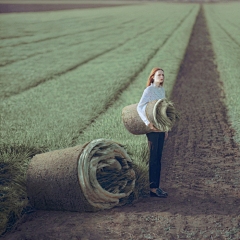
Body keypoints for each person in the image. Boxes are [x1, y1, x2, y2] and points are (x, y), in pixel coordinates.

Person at [137, 67, 168, 198]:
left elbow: (163, 111)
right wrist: (148, 123)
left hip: (161, 127)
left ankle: (157, 187)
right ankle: (152, 188)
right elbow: (140, 107)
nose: (161, 77)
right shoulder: (149, 90)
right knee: (153, 157)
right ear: (153, 77)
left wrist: (166, 129)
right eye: (159, 75)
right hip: (152, 129)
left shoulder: (162, 90)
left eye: (163, 75)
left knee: (159, 157)